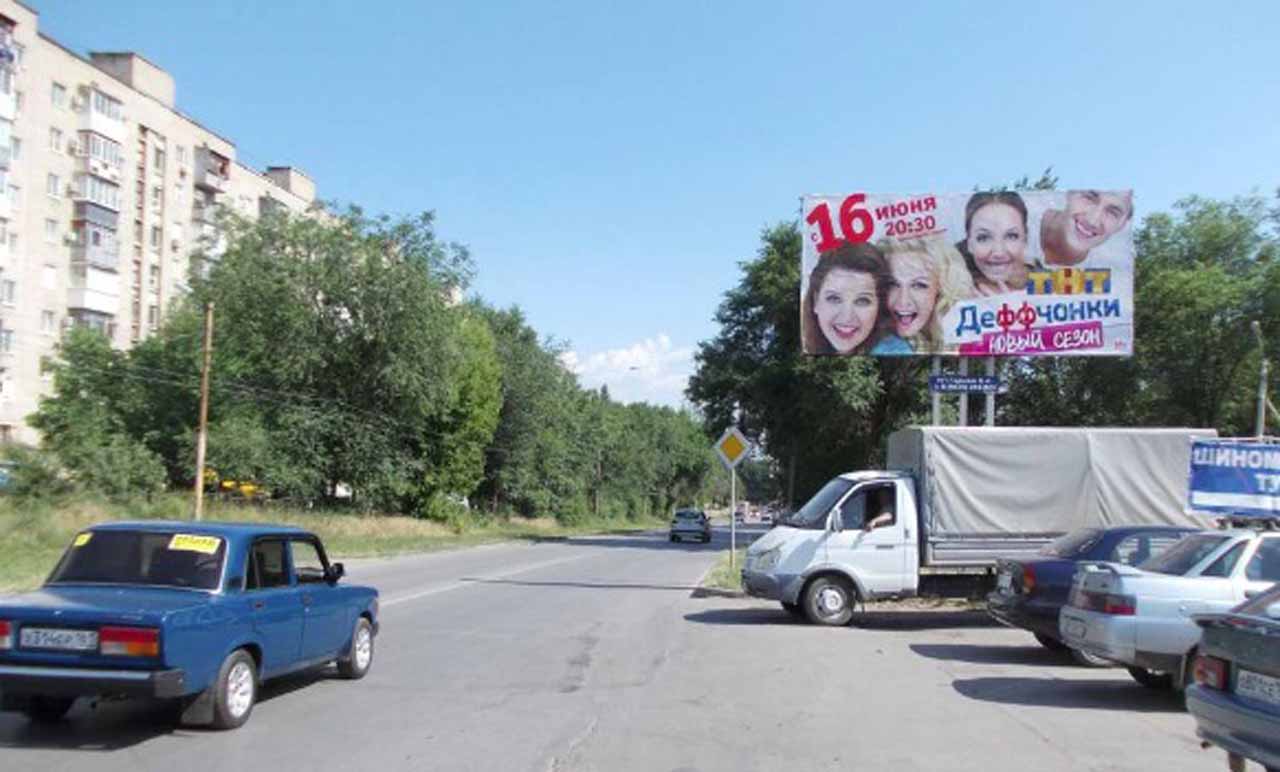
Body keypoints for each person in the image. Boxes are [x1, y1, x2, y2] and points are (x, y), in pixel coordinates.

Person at [802, 242, 911, 355]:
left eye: (862, 301)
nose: (847, 317)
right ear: (816, 301)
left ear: (879, 306)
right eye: (834, 298)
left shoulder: (896, 351)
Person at [882, 237, 976, 353]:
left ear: (942, 289)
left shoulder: (971, 340)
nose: (902, 301)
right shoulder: (879, 342)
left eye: (919, 285)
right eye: (892, 284)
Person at [955, 191, 1031, 296]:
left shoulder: (1050, 289)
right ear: (969, 244)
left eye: (1011, 236)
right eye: (984, 238)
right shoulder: (947, 295)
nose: (999, 253)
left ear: (1025, 240)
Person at [1039, 189, 1133, 266]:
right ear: (1070, 193)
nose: (1092, 221)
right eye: (1089, 198)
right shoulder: (1033, 210)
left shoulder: (1115, 271)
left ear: (1122, 224)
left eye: (1112, 212)